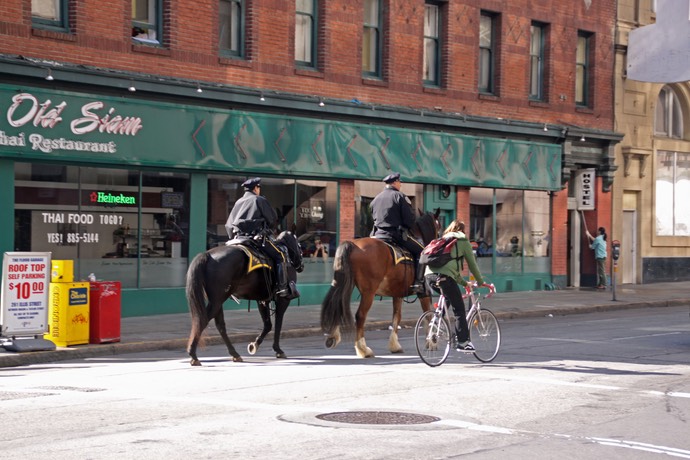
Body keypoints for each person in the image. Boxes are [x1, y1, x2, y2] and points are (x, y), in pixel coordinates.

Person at [424, 220, 491, 351]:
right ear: (463, 230)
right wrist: (481, 281)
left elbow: (451, 270)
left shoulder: (442, 240)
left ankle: (436, 319)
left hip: (429, 276)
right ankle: (463, 342)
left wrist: (465, 283)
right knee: (459, 309)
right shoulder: (463, 242)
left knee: (448, 295)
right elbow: (472, 265)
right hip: (444, 277)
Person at [225, 177, 291, 297]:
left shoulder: (238, 202)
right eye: (259, 187)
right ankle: (282, 288)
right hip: (256, 239)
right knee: (280, 255)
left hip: (237, 239)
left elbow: (229, 225)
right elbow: (272, 219)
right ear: (256, 188)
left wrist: (232, 238)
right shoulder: (259, 199)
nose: (259, 189)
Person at [369, 172, 426, 295]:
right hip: (395, 235)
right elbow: (409, 220)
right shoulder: (400, 196)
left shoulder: (376, 198)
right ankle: (418, 283)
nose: (400, 184)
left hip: (378, 235)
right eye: (400, 182)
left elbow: (373, 218)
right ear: (395, 182)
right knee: (423, 252)